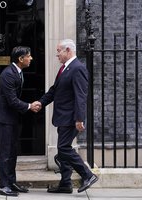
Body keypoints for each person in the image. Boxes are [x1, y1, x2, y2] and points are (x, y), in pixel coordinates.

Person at [36, 39, 98, 193]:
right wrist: (41, 103)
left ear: (68, 50)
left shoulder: (78, 69)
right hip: (63, 117)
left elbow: (81, 96)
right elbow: (54, 90)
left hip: (71, 118)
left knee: (63, 149)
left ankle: (87, 175)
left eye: (59, 51)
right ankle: (65, 183)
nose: (57, 55)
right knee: (63, 149)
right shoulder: (65, 69)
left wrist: (79, 118)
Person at [0, 46, 40, 196]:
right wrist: (30, 106)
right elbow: (12, 101)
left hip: (11, 118)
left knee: (12, 152)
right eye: (29, 56)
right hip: (4, 119)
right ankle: (3, 186)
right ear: (20, 59)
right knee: (5, 153)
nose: (31, 58)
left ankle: (11, 182)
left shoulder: (17, 72)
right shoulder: (8, 74)